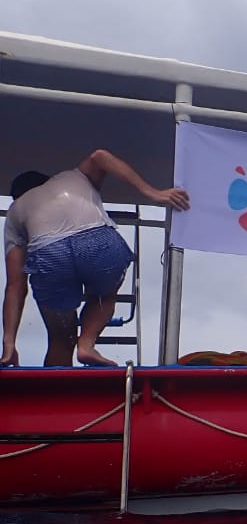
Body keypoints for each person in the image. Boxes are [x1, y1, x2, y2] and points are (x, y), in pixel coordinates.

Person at [3, 152, 190, 367]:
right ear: (48, 180)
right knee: (104, 296)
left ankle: (57, 393)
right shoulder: (73, 177)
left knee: (60, 338)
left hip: (50, 254)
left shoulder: (16, 211)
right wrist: (153, 193)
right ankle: (87, 345)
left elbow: (15, 287)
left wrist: (9, 343)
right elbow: (100, 155)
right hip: (97, 242)